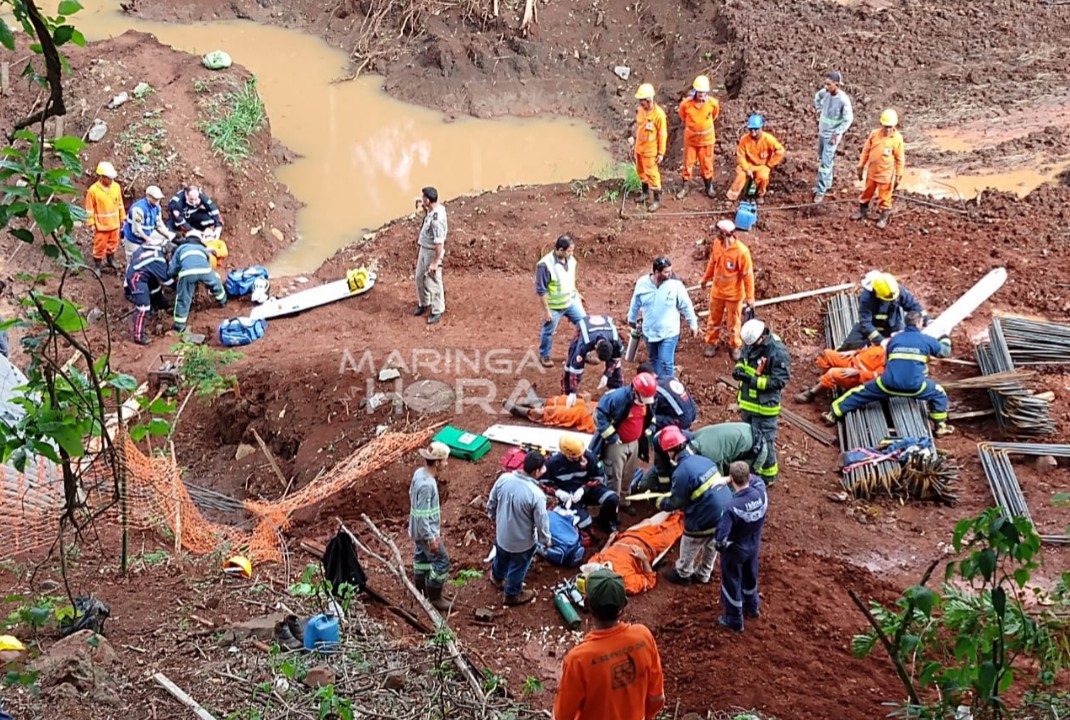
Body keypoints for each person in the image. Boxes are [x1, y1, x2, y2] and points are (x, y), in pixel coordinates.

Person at [554, 567, 666, 720]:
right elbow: (656, 698)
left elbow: (562, 716)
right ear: (624, 604)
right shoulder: (643, 637)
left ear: (587, 604)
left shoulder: (579, 659)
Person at [824, 311, 954, 436]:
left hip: (888, 384)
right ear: (920, 323)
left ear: (906, 323)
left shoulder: (894, 339)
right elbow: (944, 352)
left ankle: (833, 414)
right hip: (915, 387)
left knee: (859, 393)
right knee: (939, 394)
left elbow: (887, 363)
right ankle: (940, 427)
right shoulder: (926, 340)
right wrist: (944, 337)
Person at [656, 426, 733, 586]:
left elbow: (676, 501)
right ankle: (704, 573)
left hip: (706, 515)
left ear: (670, 451)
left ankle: (683, 573)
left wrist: (661, 502)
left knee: (690, 540)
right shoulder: (703, 459)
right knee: (712, 542)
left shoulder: (681, 471)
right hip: (725, 510)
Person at [486, 450, 551, 606]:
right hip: (522, 543)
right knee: (519, 566)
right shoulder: (536, 494)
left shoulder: (504, 479)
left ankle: (497, 577)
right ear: (536, 471)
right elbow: (541, 522)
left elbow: (492, 501)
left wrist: (493, 514)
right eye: (542, 468)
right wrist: (546, 540)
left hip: (502, 535)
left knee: (501, 556)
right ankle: (512, 594)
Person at [633, 421, 768, 495]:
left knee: (732, 484)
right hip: (742, 438)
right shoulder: (694, 438)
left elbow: (716, 479)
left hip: (755, 451)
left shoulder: (710, 455)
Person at [733, 319, 791, 485]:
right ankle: (753, 467)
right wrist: (739, 370)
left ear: (762, 337)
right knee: (749, 438)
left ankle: (768, 476)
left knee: (765, 441)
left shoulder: (778, 353)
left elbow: (779, 382)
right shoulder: (752, 343)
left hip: (765, 408)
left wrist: (752, 380)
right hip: (748, 403)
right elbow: (744, 358)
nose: (750, 347)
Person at [590, 373, 656, 516]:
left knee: (629, 474)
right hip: (616, 445)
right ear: (634, 391)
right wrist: (612, 436)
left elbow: (652, 417)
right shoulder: (616, 398)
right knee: (615, 477)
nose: (644, 402)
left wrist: (650, 429)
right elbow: (599, 416)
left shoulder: (646, 400)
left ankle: (624, 502)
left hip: (634, 443)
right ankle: (611, 509)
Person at [715, 461, 768, 632]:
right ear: (748, 476)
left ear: (731, 478)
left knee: (731, 583)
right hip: (753, 544)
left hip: (736, 550)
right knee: (750, 577)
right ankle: (752, 607)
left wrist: (724, 547)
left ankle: (734, 620)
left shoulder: (731, 508)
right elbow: (757, 480)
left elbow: (720, 540)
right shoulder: (761, 492)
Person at [627, 256, 699, 379]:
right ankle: (658, 386)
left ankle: (669, 386)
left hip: (669, 332)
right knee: (654, 360)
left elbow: (686, 305)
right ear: (656, 272)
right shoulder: (642, 284)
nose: (670, 274)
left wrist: (693, 324)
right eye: (666, 272)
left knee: (666, 362)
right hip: (649, 331)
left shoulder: (675, 285)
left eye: (670, 270)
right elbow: (635, 303)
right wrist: (631, 319)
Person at [541, 433, 620, 534]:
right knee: (585, 524)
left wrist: (584, 489)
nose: (580, 459)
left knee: (612, 498)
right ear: (564, 453)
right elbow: (544, 483)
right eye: (575, 457)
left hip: (588, 490)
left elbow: (599, 478)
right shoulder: (553, 463)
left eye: (580, 455)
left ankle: (606, 520)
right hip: (570, 497)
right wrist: (558, 492)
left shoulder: (589, 457)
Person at [700, 219, 755, 360]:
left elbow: (748, 276)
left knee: (734, 322)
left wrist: (750, 297)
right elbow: (712, 263)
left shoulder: (742, 252)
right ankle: (711, 342)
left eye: (717, 231)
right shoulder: (717, 245)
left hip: (734, 295)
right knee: (713, 319)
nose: (715, 233)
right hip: (717, 291)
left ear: (725, 234)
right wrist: (705, 279)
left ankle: (735, 346)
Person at [409, 441, 452, 611]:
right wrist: (430, 538)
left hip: (417, 530)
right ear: (437, 462)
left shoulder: (419, 473)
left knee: (421, 558)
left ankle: (420, 587)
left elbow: (412, 498)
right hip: (426, 532)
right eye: (444, 461)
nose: (446, 464)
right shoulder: (427, 485)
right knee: (442, 561)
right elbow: (423, 515)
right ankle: (434, 596)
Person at [838, 271, 928, 350]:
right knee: (849, 345)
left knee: (900, 347)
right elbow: (865, 322)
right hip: (871, 326)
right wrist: (880, 341)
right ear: (877, 293)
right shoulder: (867, 298)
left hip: (892, 326)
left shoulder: (897, 290)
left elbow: (914, 306)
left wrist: (927, 320)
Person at [536, 234, 585, 367]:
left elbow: (569, 279)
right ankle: (544, 355)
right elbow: (541, 290)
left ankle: (584, 352)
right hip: (554, 306)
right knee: (548, 331)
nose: (572, 253)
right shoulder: (545, 265)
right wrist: (547, 312)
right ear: (560, 250)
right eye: (569, 251)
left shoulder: (571, 260)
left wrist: (576, 293)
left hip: (571, 301)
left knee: (584, 325)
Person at [854, 109, 906, 229]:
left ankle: (883, 217)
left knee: (885, 196)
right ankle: (862, 212)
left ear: (894, 126)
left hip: (885, 174)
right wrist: (861, 166)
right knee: (867, 192)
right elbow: (866, 151)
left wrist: (899, 175)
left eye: (890, 127)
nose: (887, 129)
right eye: (885, 126)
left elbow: (900, 159)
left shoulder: (897, 139)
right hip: (872, 171)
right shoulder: (874, 134)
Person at [169, 231, 227, 333]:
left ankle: (179, 325)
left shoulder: (181, 249)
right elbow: (207, 262)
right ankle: (223, 301)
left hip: (187, 273)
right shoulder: (202, 248)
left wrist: (173, 275)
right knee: (216, 283)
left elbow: (173, 269)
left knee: (183, 297)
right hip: (205, 271)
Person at [793, 343, 887, 404]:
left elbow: (876, 376)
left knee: (833, 373)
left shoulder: (889, 360)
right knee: (826, 355)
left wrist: (858, 372)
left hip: (856, 376)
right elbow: (868, 350)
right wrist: (855, 352)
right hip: (851, 361)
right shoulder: (885, 344)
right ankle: (822, 386)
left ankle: (811, 394)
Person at [813, 70, 854, 204]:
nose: (826, 87)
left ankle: (820, 191)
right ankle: (827, 183)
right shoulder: (825, 93)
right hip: (822, 132)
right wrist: (819, 110)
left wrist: (837, 133)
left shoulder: (843, 100)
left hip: (831, 136)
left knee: (825, 163)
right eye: (825, 84)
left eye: (829, 84)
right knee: (823, 159)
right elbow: (817, 97)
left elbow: (848, 120)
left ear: (837, 85)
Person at [676, 74, 719, 199]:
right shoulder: (686, 104)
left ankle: (708, 186)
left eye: (703, 92)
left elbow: (715, 115)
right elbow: (683, 115)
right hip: (691, 140)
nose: (701, 94)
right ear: (695, 91)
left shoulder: (712, 103)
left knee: (706, 164)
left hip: (706, 140)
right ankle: (685, 186)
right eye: (699, 91)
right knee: (688, 163)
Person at [124, 237, 174, 345]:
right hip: (136, 278)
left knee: (155, 288)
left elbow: (135, 254)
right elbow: (167, 281)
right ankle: (138, 336)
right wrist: (180, 286)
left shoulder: (151, 246)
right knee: (143, 307)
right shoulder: (159, 260)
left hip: (142, 272)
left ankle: (160, 305)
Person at [726, 114, 785, 202]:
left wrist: (769, 164)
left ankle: (759, 194)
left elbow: (780, 151)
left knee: (763, 177)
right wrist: (746, 169)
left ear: (761, 128)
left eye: (756, 129)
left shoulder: (768, 139)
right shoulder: (744, 140)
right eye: (751, 129)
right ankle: (732, 196)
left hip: (762, 164)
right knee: (740, 175)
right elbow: (740, 156)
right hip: (748, 163)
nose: (753, 131)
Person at [562, 314, 624, 398]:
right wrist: (573, 391)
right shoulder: (584, 343)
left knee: (616, 366)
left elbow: (615, 359)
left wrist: (607, 374)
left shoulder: (616, 341)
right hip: (584, 325)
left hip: (605, 325)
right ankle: (567, 391)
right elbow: (576, 368)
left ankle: (616, 388)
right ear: (595, 348)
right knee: (572, 358)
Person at [413, 186, 447, 325]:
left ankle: (438, 309)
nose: (422, 200)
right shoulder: (433, 209)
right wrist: (423, 207)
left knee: (433, 280)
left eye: (423, 198)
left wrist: (435, 262)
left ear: (428, 200)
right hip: (424, 249)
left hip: (432, 252)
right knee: (419, 277)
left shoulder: (436, 219)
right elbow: (429, 213)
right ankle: (424, 303)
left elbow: (439, 243)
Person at [84, 161, 126, 275]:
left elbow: (120, 203)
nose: (111, 180)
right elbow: (89, 209)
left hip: (114, 224)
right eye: (109, 178)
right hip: (101, 225)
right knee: (99, 246)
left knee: (113, 243)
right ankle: (97, 265)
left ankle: (110, 259)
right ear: (102, 177)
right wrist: (91, 223)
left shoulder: (116, 187)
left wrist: (122, 217)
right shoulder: (93, 190)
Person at [633, 83, 668, 212]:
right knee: (641, 171)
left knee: (652, 175)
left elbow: (662, 134)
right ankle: (645, 193)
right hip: (639, 149)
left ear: (649, 100)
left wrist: (661, 153)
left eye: (642, 101)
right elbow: (639, 129)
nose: (641, 104)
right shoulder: (641, 111)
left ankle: (656, 199)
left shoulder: (659, 115)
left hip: (650, 151)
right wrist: (635, 146)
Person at [122, 185, 174, 261]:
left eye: (158, 199)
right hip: (134, 238)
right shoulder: (139, 209)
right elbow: (136, 230)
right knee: (133, 260)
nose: (157, 201)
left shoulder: (157, 207)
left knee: (165, 240)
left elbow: (159, 225)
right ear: (148, 197)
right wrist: (148, 240)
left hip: (148, 232)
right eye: (155, 199)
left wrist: (169, 235)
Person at [504, 393, 597, 433]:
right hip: (601, 407)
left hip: (596, 420)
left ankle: (524, 412)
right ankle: (535, 401)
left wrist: (588, 405)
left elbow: (601, 425)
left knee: (563, 412)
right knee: (568, 401)